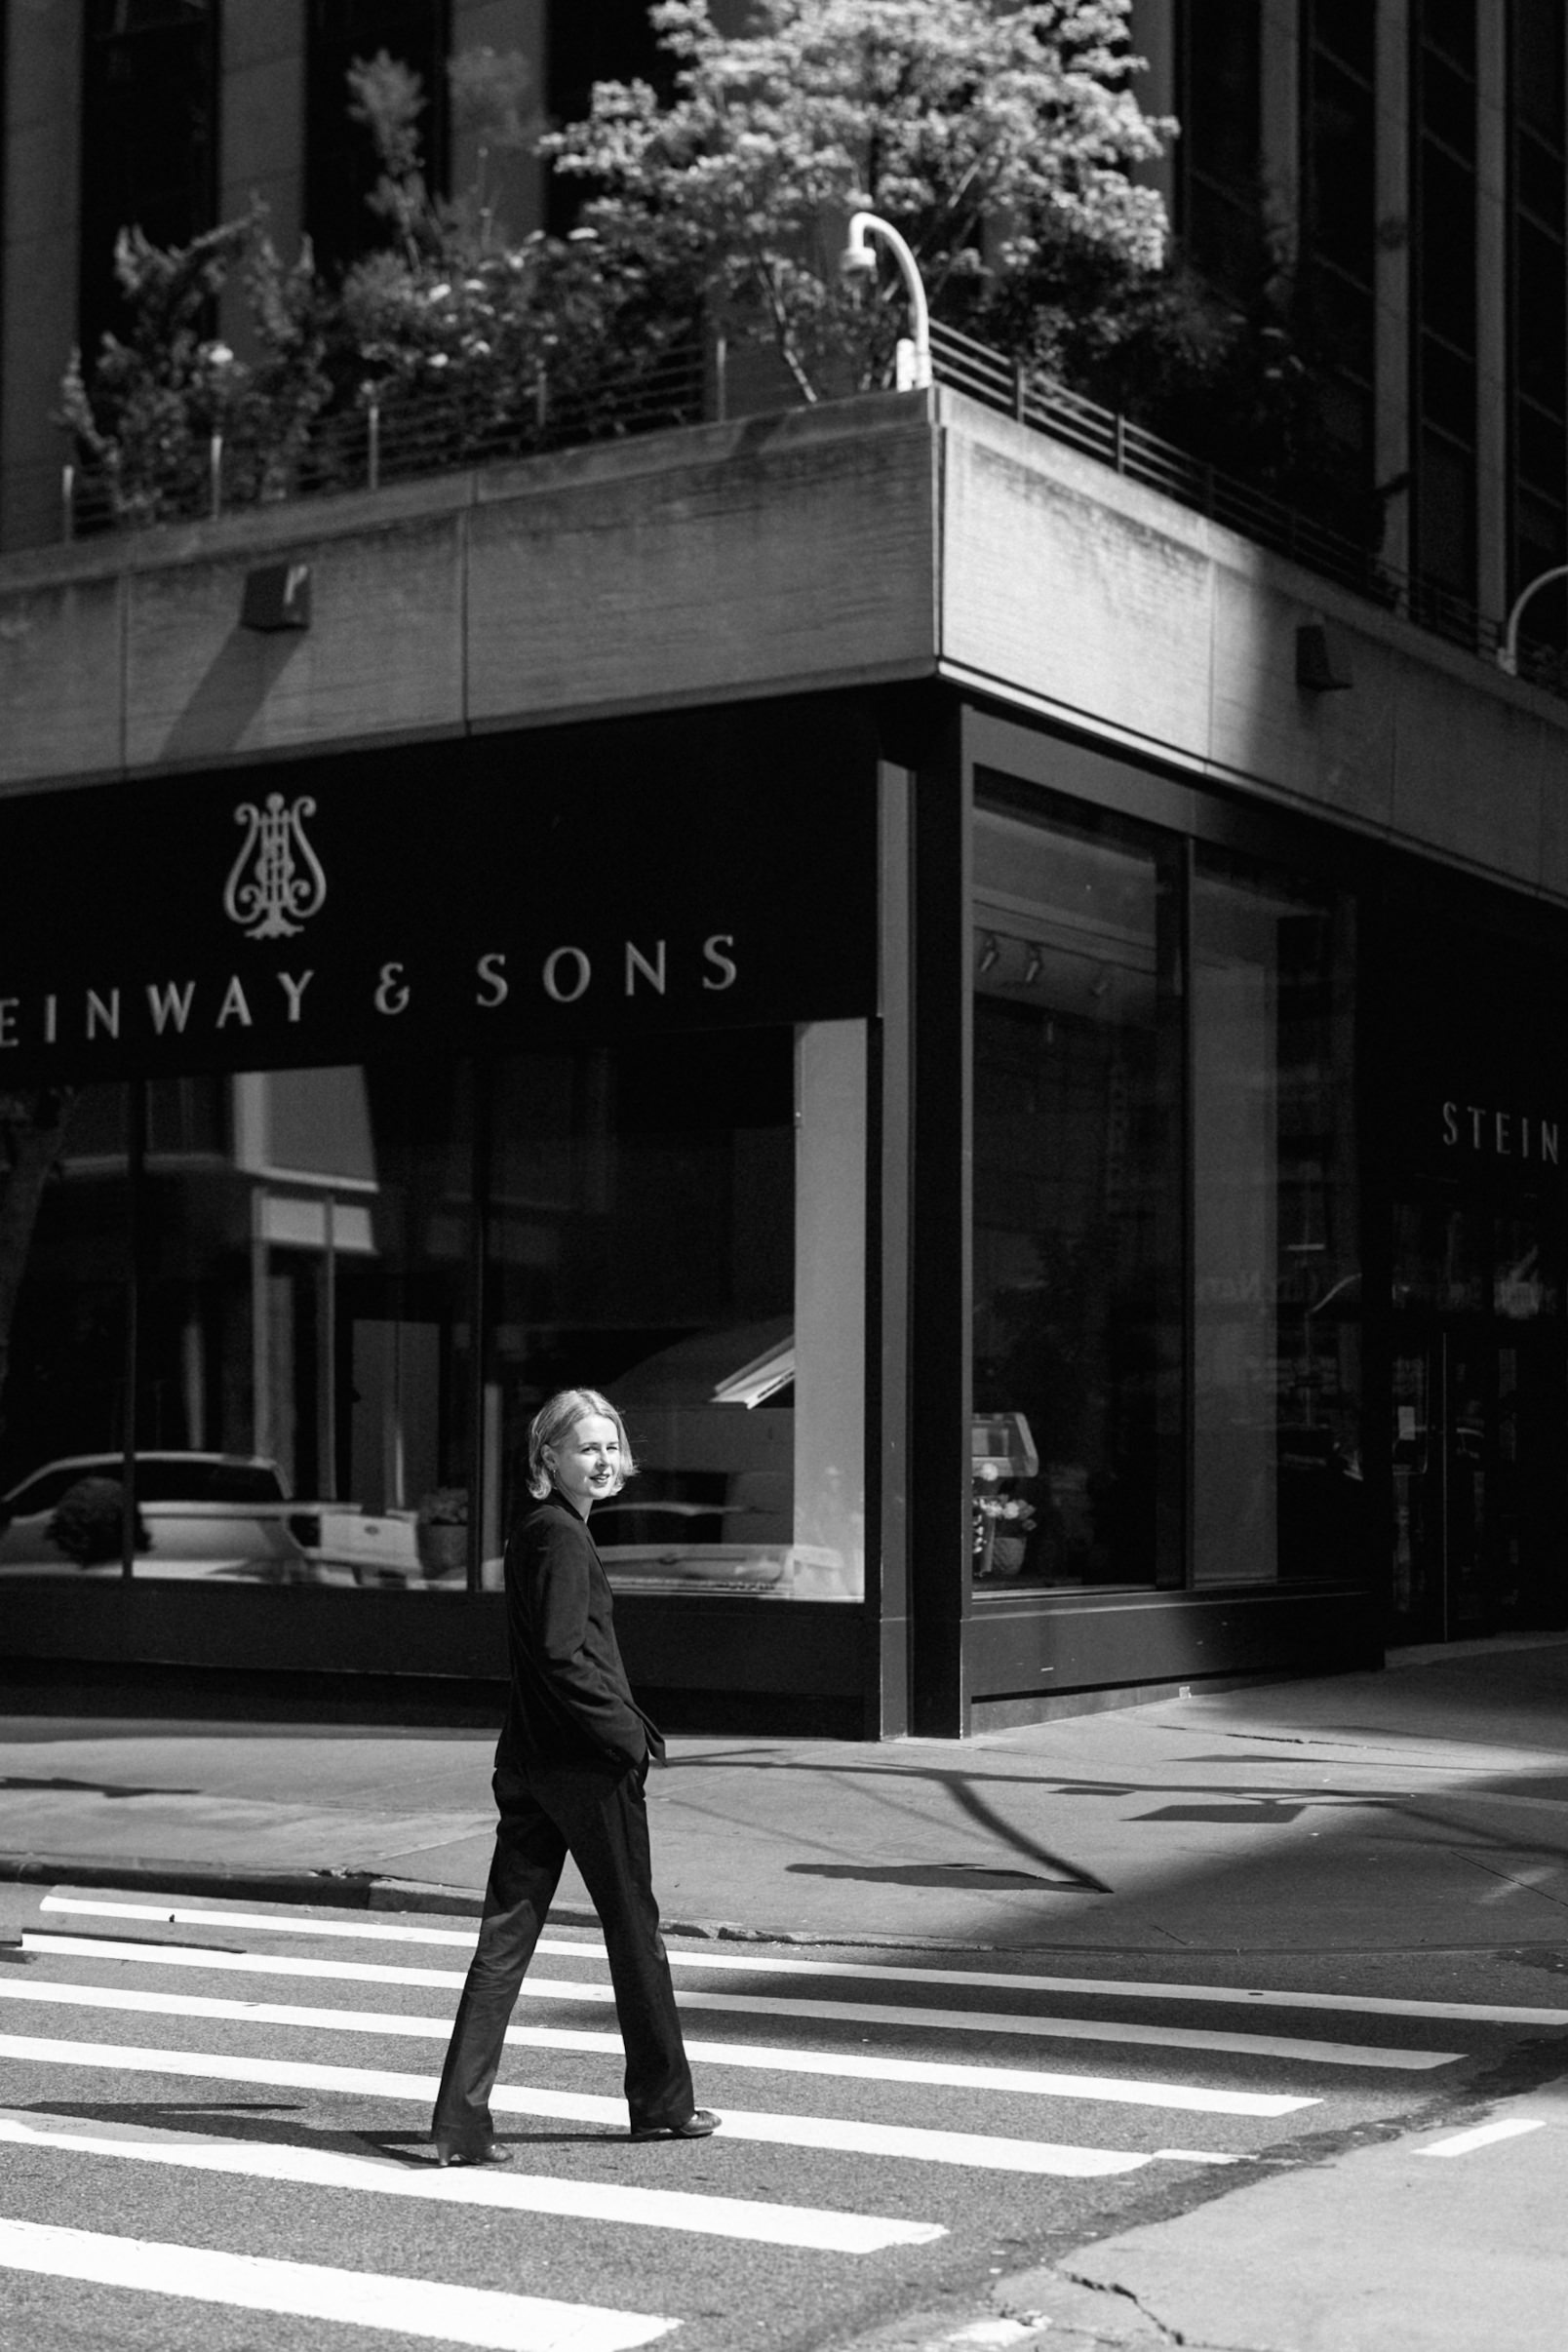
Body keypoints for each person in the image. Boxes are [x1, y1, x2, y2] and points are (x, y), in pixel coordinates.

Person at [430, 1387, 718, 2163]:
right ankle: (661, 2104)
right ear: (546, 1457)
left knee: (506, 1939)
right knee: (635, 1933)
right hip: (583, 1770)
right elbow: (563, 1654)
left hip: (529, 1763)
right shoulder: (558, 1537)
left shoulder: (539, 1532)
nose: (601, 1460)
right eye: (584, 1447)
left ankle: (459, 2120)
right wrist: (626, 1736)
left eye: (609, 1447)